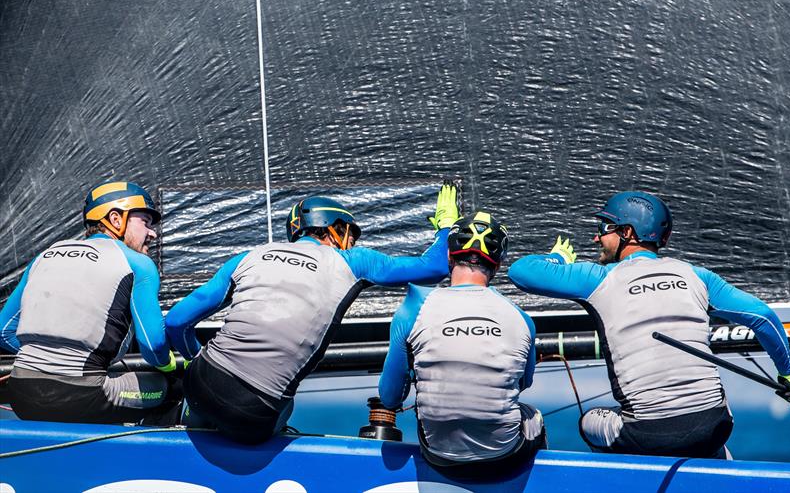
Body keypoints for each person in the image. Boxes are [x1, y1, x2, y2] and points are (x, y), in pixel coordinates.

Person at [508, 190, 790, 459]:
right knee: (705, 427)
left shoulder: (598, 278)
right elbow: (762, 316)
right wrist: (789, 374)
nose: (597, 238)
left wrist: (558, 258)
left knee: (588, 422)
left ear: (627, 233)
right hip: (717, 427)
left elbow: (521, 271)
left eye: (604, 228)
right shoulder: (696, 276)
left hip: (647, 435)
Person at [165, 183, 459, 444]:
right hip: (253, 412)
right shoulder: (353, 261)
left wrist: (195, 357)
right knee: (285, 406)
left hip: (199, 382)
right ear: (335, 228)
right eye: (350, 235)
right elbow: (435, 267)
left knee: (206, 409)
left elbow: (177, 321)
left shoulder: (249, 257)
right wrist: (446, 227)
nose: (352, 243)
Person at [379, 212, 545, 477]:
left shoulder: (414, 307)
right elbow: (523, 383)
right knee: (532, 415)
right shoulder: (521, 318)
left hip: (439, 455)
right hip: (502, 456)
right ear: (498, 264)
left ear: (448, 256)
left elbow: (389, 398)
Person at [0, 181, 181, 425]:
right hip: (83, 397)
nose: (152, 233)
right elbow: (152, 344)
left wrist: (47, 359)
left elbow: (3, 330)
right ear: (115, 219)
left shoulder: (45, 255)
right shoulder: (138, 263)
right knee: (170, 386)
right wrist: (170, 366)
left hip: (22, 394)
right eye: (145, 222)